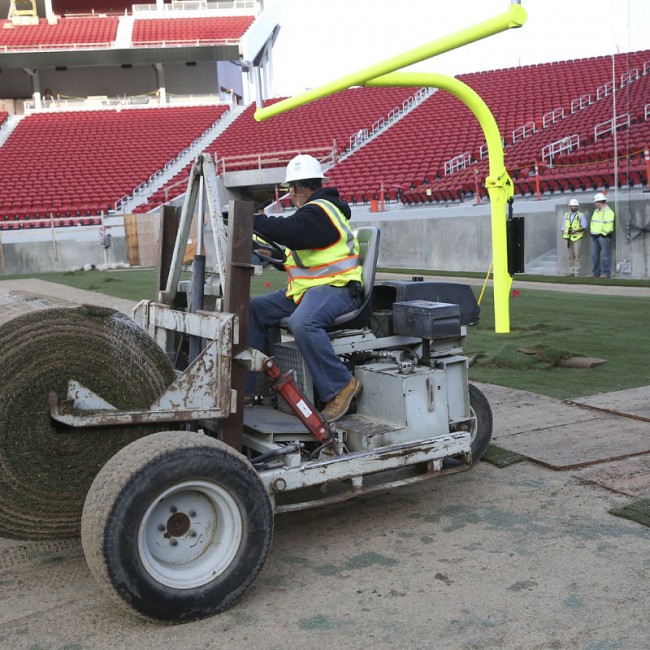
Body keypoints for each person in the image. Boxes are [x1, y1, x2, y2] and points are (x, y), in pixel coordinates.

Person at [248, 154, 363, 422]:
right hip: (310, 290)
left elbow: (291, 230)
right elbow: (296, 252)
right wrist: (266, 251)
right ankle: (248, 387)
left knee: (304, 323)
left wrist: (249, 219)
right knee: (256, 308)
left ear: (298, 188)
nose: (290, 195)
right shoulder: (313, 216)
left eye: (291, 189)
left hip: (338, 289)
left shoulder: (321, 210)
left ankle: (340, 386)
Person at [589, 192, 615, 278]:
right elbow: (593, 223)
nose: (595, 204)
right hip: (594, 236)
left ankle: (605, 273)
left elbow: (609, 226)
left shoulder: (609, 212)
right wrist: (592, 232)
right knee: (594, 256)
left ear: (600, 202)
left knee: (605, 256)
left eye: (596, 202)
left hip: (603, 237)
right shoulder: (596, 211)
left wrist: (603, 234)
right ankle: (596, 273)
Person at [561, 198, 588, 276]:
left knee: (577, 255)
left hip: (577, 238)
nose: (574, 207)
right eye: (573, 206)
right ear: (570, 206)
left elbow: (584, 226)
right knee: (570, 256)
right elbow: (563, 227)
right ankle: (571, 271)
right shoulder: (566, 215)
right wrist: (565, 235)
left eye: (576, 206)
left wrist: (575, 231)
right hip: (567, 238)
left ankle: (577, 273)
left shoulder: (580, 215)